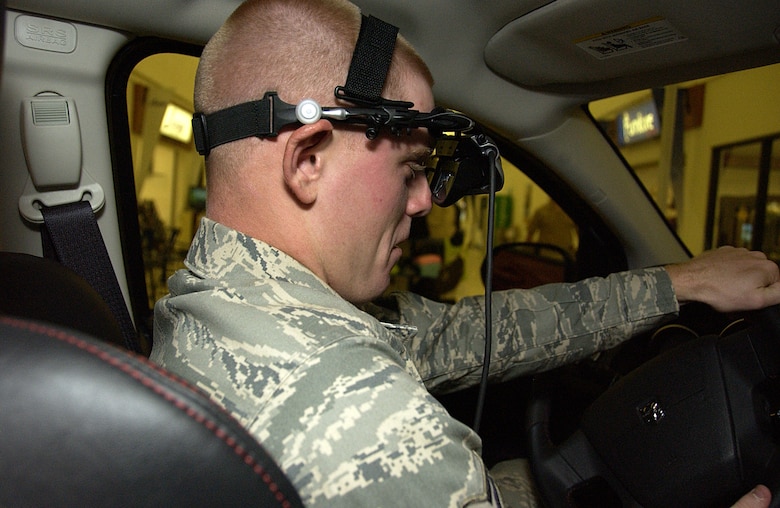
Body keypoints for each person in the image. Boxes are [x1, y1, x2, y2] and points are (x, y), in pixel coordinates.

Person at [150, 0, 780, 506]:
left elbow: (472, 332)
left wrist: (681, 282)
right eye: (410, 168)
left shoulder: (213, 299)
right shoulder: (367, 418)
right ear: (308, 160)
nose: (425, 200)